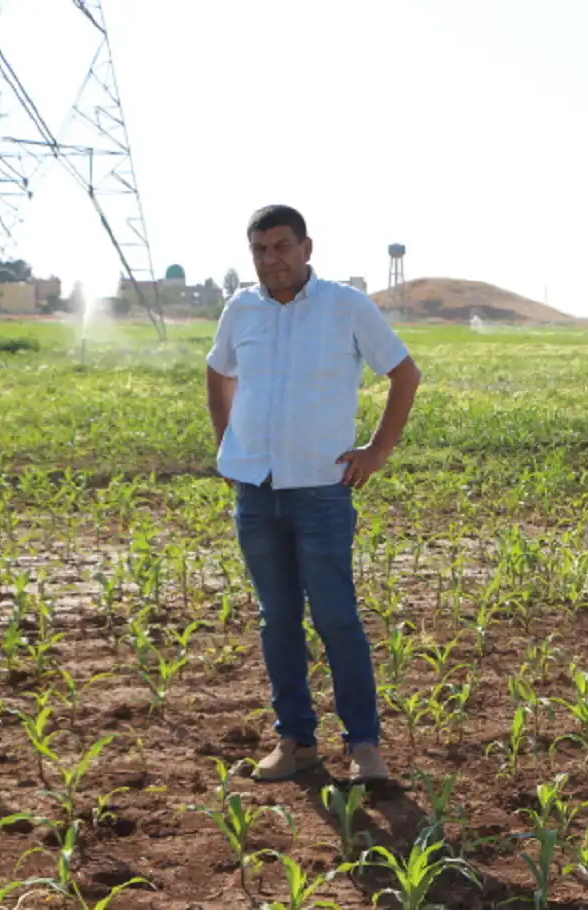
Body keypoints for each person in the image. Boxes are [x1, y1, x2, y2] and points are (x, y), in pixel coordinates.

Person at [206, 204, 421, 783]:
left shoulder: (345, 307)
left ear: (307, 247)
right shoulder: (241, 308)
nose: (270, 260)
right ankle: (296, 740)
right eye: (259, 250)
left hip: (322, 490)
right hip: (256, 493)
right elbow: (218, 371)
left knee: (336, 618)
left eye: (280, 247)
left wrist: (376, 451)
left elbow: (405, 373)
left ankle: (364, 746)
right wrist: (228, 446)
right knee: (277, 619)